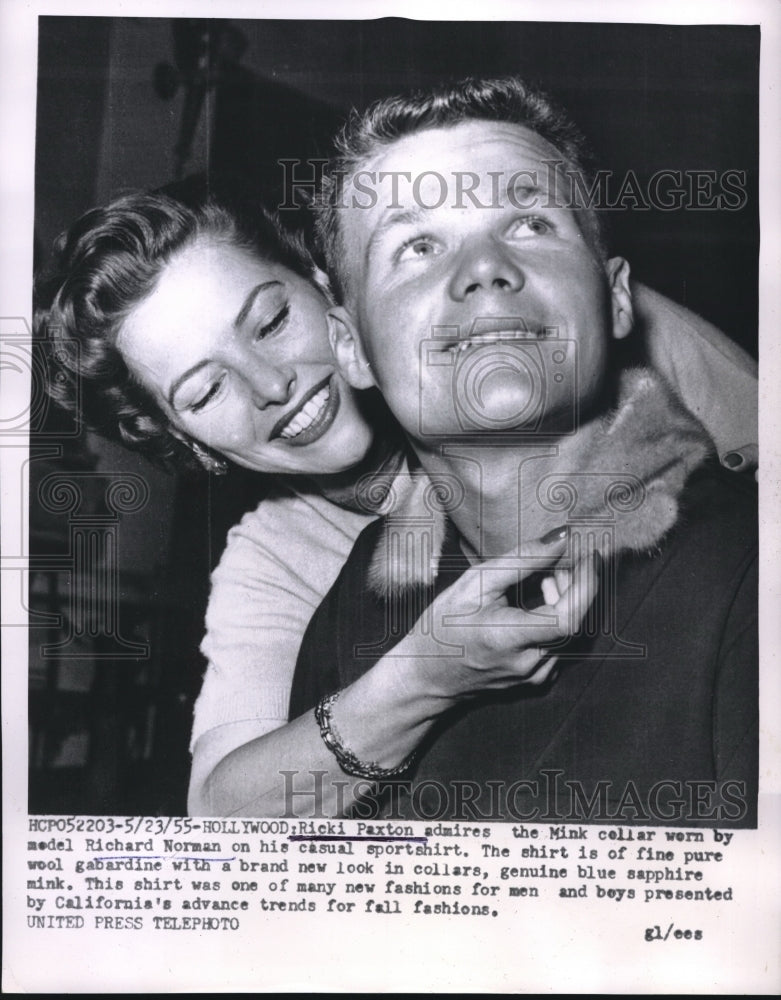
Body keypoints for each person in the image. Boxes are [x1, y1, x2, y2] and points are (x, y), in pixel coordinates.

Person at [39, 169, 756, 818]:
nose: (270, 384)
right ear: (188, 443)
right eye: (206, 390)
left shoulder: (563, 326)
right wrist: (419, 681)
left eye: (271, 321)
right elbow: (228, 818)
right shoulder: (276, 553)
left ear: (325, 283)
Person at [290, 77, 758, 826]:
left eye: (529, 223)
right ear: (352, 350)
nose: (482, 266)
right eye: (416, 245)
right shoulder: (359, 608)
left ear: (614, 299)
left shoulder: (751, 571)